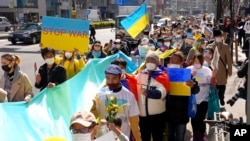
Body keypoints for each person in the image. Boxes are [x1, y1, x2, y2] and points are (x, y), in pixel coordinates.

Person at [93, 64, 142, 141]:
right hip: (103, 137)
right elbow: (94, 116)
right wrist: (93, 107)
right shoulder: (100, 94)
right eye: (108, 78)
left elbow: (134, 124)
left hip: (122, 137)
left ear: (120, 78)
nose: (110, 81)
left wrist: (138, 139)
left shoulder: (129, 96)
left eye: (114, 78)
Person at [166, 51, 200, 141]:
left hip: (182, 114)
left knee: (180, 137)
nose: (174, 63)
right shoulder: (165, 74)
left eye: (176, 62)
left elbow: (196, 90)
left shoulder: (187, 75)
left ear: (181, 63)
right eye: (172, 61)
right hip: (168, 113)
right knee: (170, 136)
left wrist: (193, 85)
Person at [136, 51, 170, 141]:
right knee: (144, 138)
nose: (150, 62)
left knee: (157, 137)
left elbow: (162, 93)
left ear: (157, 62)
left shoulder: (162, 75)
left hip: (158, 116)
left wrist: (149, 93)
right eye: (148, 60)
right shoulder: (140, 75)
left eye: (153, 60)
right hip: (143, 117)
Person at [187, 53, 213, 141]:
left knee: (201, 118)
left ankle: (201, 135)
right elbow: (184, 83)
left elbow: (212, 82)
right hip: (192, 99)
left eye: (199, 61)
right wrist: (191, 75)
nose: (197, 63)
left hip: (204, 98)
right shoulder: (188, 69)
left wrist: (213, 77)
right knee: (194, 118)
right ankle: (195, 135)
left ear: (202, 61)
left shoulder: (207, 70)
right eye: (195, 61)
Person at [207, 28, 232, 106]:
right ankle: (214, 100)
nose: (219, 37)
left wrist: (230, 70)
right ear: (214, 37)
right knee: (214, 85)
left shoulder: (225, 46)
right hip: (212, 69)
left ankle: (221, 97)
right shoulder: (210, 46)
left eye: (220, 36)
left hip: (222, 70)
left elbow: (229, 59)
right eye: (217, 36)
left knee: (222, 85)